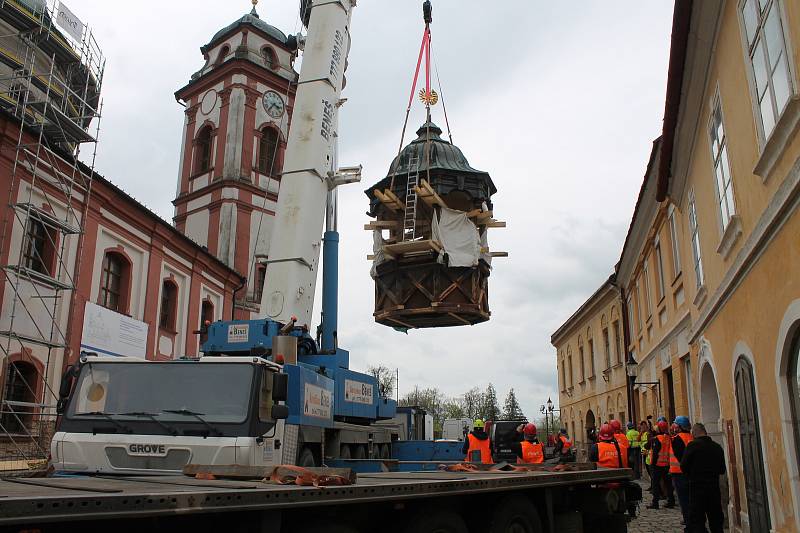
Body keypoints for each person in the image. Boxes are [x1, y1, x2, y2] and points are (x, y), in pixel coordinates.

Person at [681, 423, 725, 533]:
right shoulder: (717, 447)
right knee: (716, 520)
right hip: (714, 488)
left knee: (697, 520)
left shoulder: (692, 446)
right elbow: (722, 469)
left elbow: (683, 466)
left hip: (697, 488)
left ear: (694, 433)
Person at [669, 416, 693, 531]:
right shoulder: (691, 437)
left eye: (675, 425)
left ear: (679, 426)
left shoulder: (678, 439)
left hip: (679, 473)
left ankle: (689, 524)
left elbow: (680, 457)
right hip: (691, 473)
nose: (674, 427)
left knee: (684, 500)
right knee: (691, 499)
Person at [645, 419, 675, 509]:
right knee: (668, 484)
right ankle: (671, 501)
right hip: (667, 464)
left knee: (655, 484)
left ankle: (655, 503)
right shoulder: (669, 438)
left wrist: (652, 464)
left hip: (657, 465)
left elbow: (655, 453)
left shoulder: (657, 439)